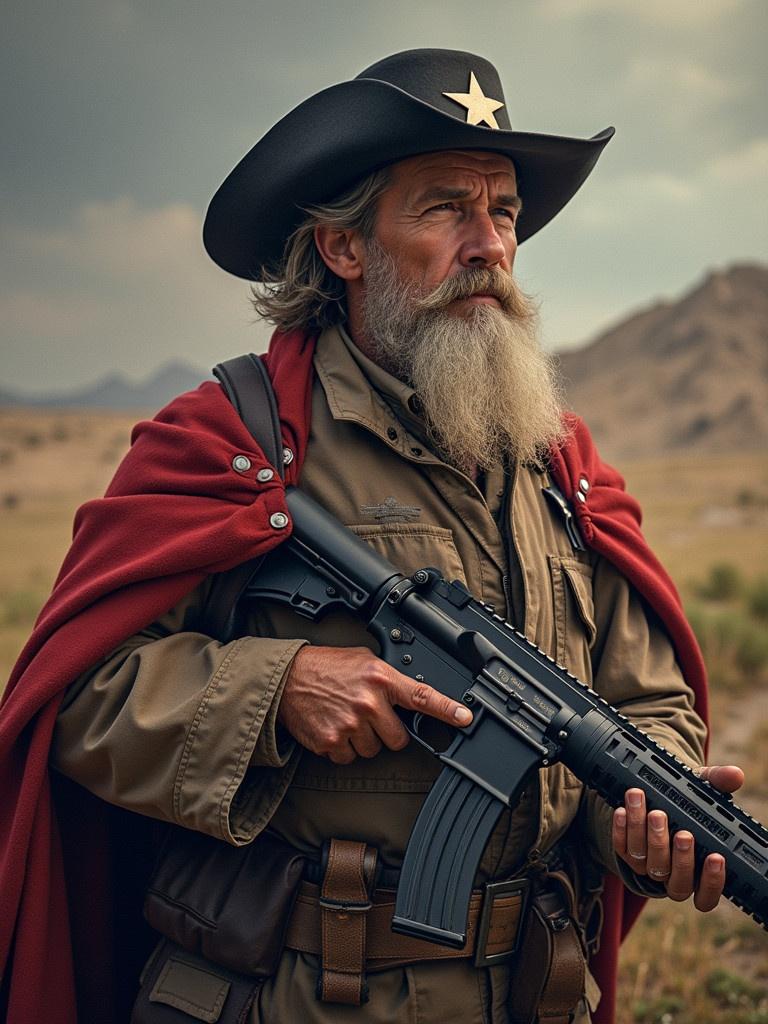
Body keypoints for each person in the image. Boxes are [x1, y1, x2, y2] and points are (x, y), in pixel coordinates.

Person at [0, 48, 745, 1024]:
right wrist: (278, 689)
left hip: (531, 993)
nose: (489, 243)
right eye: (444, 208)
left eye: (506, 212)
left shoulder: (563, 468)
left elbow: (647, 703)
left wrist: (650, 808)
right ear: (345, 248)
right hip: (292, 992)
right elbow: (80, 699)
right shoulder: (238, 441)